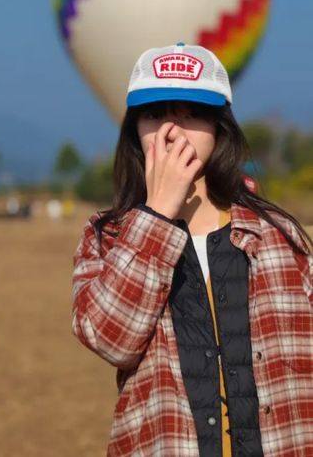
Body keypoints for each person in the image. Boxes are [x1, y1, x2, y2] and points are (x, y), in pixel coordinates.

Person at [72, 43, 312, 457]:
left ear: (220, 127)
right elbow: (112, 341)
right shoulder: (107, 237)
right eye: (154, 114)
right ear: (134, 130)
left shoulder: (276, 236)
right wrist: (158, 212)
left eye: (192, 113)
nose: (172, 129)